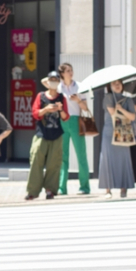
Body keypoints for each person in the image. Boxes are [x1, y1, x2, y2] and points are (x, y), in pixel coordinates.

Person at [26, 71, 69, 200]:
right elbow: (35, 113)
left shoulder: (62, 98)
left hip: (56, 134)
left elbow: (66, 117)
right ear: (48, 82)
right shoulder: (41, 96)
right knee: (35, 161)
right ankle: (32, 191)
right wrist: (46, 109)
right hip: (41, 134)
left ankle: (50, 190)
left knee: (54, 163)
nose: (53, 82)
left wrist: (60, 109)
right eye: (51, 79)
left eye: (56, 80)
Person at [56, 63, 91, 195]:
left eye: (72, 70)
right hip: (62, 121)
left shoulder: (79, 86)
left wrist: (78, 100)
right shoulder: (59, 88)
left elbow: (86, 108)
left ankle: (84, 187)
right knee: (62, 156)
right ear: (62, 74)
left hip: (76, 120)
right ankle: (61, 187)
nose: (71, 73)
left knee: (81, 154)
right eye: (68, 71)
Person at [100, 79, 136, 198]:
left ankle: (124, 188)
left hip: (123, 132)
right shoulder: (108, 97)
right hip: (109, 132)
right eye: (114, 83)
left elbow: (132, 116)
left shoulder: (129, 99)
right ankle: (107, 190)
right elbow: (112, 113)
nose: (117, 85)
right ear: (109, 86)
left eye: (119, 83)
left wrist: (121, 109)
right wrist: (119, 110)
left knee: (123, 159)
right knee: (107, 159)